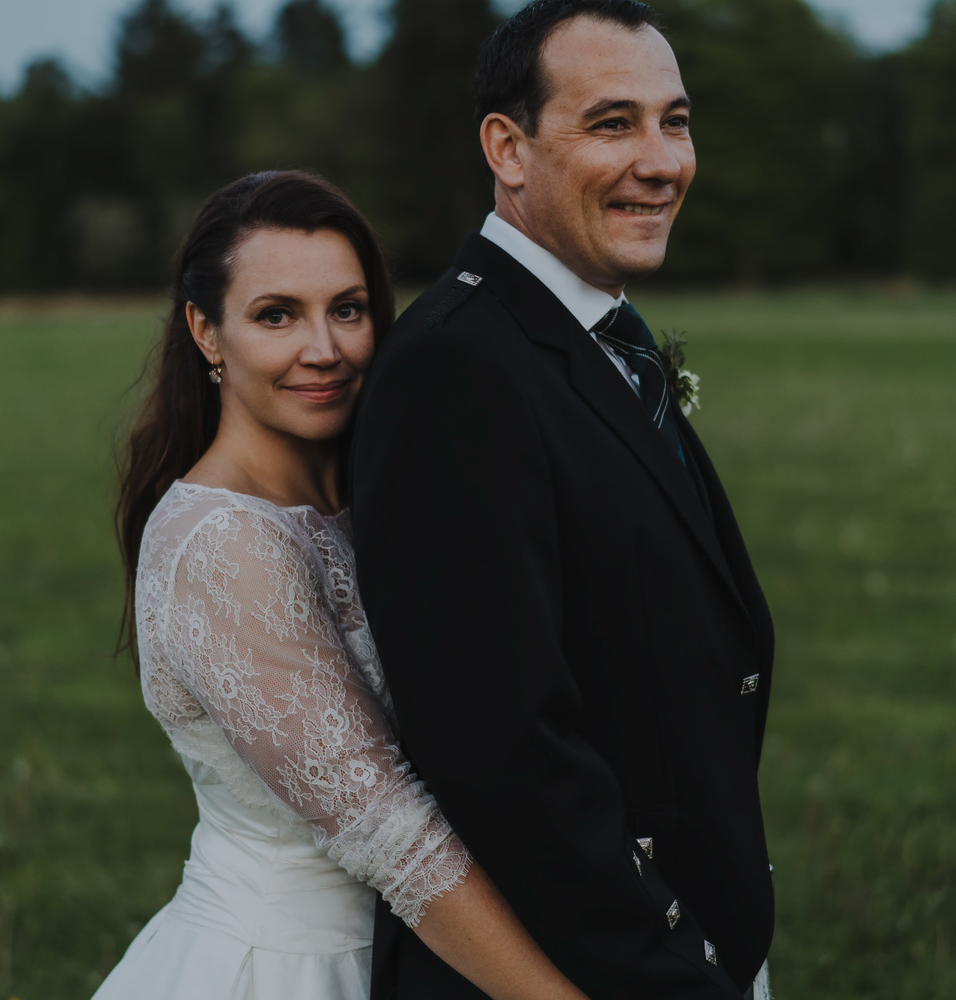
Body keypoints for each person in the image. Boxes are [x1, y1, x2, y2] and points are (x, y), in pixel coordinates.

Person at [351, 2, 776, 998]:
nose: (663, 161)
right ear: (508, 146)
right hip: (594, 967)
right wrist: (671, 969)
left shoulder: (597, 334)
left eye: (675, 121)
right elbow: (501, 748)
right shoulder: (457, 364)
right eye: (613, 123)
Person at [100, 170, 587, 1000]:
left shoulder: (376, 502)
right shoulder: (221, 545)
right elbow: (391, 835)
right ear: (205, 331)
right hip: (288, 966)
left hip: (437, 955)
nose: (324, 348)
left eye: (348, 309)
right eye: (276, 315)